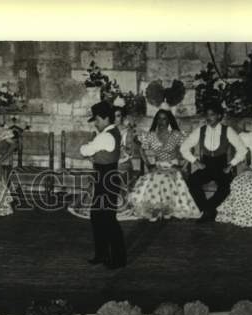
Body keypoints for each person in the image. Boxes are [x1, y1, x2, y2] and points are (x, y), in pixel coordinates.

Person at [127, 107, 200, 222]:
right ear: (156, 120)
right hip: (158, 167)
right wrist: (148, 165)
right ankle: (155, 209)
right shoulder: (151, 135)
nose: (161, 122)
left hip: (172, 167)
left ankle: (166, 209)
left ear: (169, 120)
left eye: (164, 119)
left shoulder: (176, 135)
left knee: (163, 178)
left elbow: (191, 148)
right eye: (159, 119)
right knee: (153, 178)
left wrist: (183, 167)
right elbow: (141, 149)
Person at [181, 100, 247, 222]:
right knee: (192, 181)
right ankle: (208, 210)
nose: (208, 117)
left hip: (221, 167)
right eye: (207, 114)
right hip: (205, 167)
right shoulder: (200, 130)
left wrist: (231, 165)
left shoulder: (227, 130)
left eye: (212, 114)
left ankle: (208, 209)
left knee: (227, 186)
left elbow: (242, 149)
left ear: (219, 116)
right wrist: (196, 161)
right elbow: (183, 148)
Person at [79, 101, 127, 270]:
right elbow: (93, 152)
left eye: (97, 120)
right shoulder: (112, 132)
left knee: (108, 219)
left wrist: (91, 149)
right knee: (97, 216)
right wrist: (94, 152)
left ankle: (118, 259)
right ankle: (102, 254)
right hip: (106, 178)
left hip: (106, 179)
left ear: (106, 118)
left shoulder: (105, 136)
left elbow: (84, 150)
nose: (95, 123)